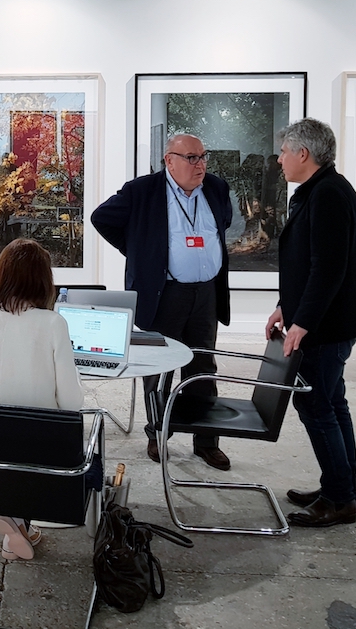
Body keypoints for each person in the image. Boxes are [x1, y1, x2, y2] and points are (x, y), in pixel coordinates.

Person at [91, 134, 233, 470]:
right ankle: (157, 434)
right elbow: (101, 219)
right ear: (169, 160)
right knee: (159, 368)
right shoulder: (142, 191)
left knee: (202, 366)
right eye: (191, 158)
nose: (200, 165)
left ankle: (206, 441)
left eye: (203, 157)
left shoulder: (215, 188)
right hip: (165, 293)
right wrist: (142, 252)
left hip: (206, 294)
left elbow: (222, 224)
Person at [265, 118, 356, 528]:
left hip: (327, 326)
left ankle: (340, 498)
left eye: (283, 152)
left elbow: (328, 268)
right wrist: (284, 308)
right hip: (328, 321)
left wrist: (302, 323)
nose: (280, 160)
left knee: (315, 404)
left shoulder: (328, 193)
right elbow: (306, 264)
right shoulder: (318, 190)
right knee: (332, 403)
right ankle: (342, 488)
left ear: (303, 154)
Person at [0, 238, 85, 561]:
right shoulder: (52, 324)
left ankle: (16, 531)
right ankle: (14, 522)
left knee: (10, 438)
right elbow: (72, 402)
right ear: (44, 280)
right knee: (64, 433)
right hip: (40, 448)